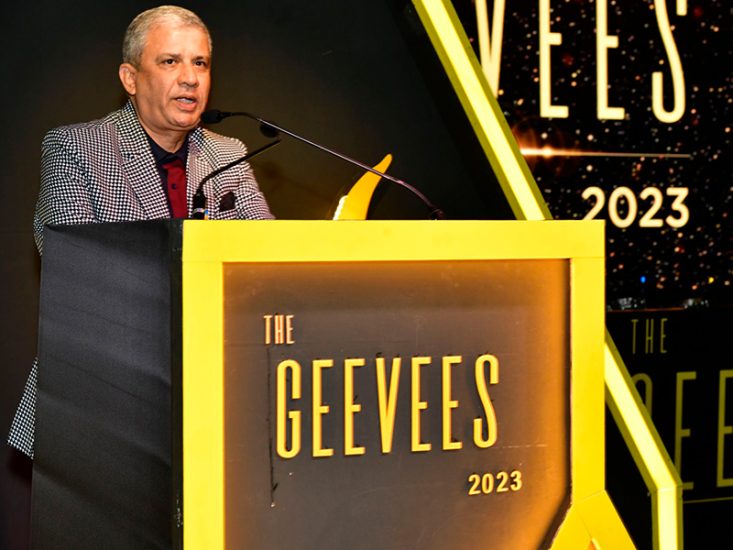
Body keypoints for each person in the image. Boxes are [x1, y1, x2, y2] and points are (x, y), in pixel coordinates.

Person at [8, 5, 273, 458]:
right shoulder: (77, 147)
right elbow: (75, 270)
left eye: (200, 63)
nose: (190, 78)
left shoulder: (228, 153)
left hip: (214, 393)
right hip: (104, 395)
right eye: (170, 61)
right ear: (130, 78)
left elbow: (265, 261)